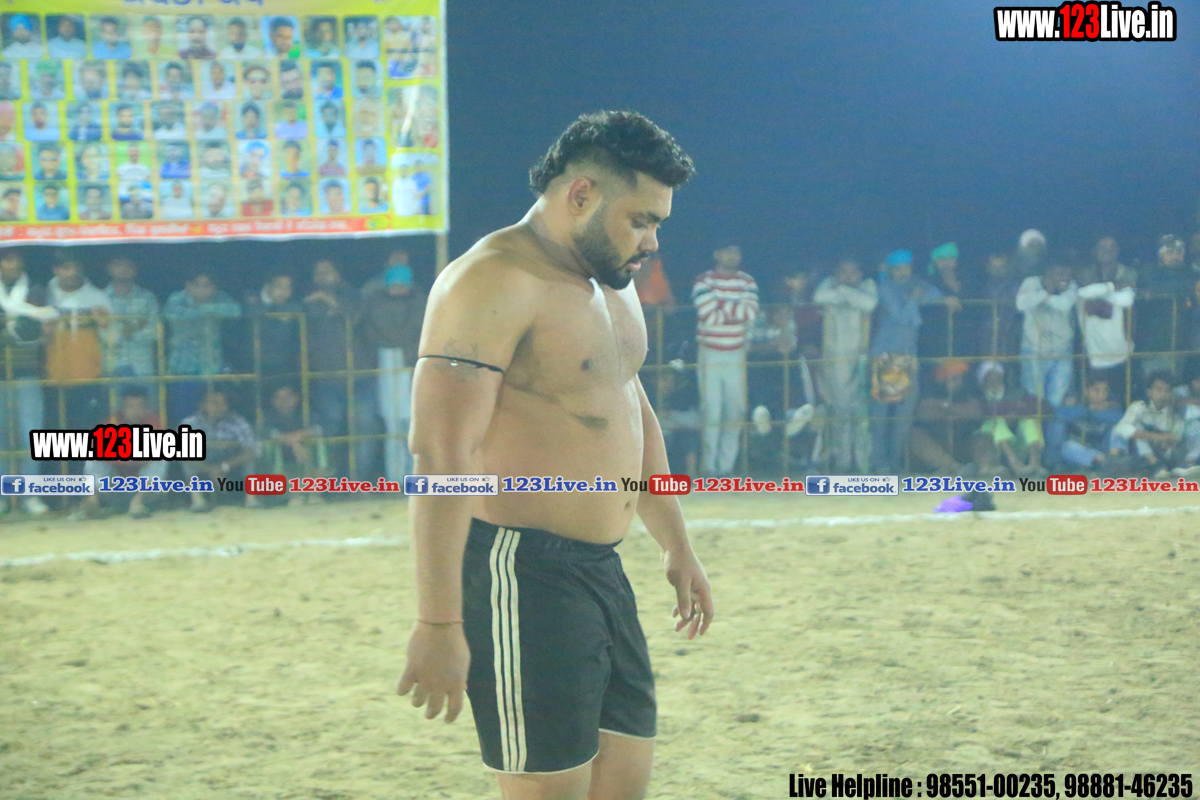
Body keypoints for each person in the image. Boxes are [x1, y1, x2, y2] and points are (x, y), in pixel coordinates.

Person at [398, 110, 711, 800]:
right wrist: (438, 621)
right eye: (640, 220)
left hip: (602, 570)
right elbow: (441, 456)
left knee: (622, 783)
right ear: (581, 195)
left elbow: (628, 408)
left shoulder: (608, 281)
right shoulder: (491, 281)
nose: (652, 241)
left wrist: (675, 542)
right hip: (522, 573)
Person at [868, 249, 959, 473]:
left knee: (904, 412)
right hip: (889, 353)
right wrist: (915, 298)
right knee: (883, 412)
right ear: (890, 270)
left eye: (906, 268)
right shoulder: (884, 287)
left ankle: (894, 460)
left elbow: (933, 292)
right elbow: (900, 314)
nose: (902, 273)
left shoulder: (913, 283)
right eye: (897, 269)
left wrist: (941, 298)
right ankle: (880, 462)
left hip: (908, 353)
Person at [302, 259, 378, 479]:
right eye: (318, 272)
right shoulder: (308, 301)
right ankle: (329, 481)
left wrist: (328, 301)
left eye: (327, 271)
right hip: (327, 376)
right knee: (329, 431)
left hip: (360, 374)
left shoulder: (355, 296)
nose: (323, 276)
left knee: (363, 429)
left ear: (339, 274)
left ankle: (359, 483)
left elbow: (354, 318)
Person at [692, 244, 758, 476]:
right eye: (728, 251)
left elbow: (750, 314)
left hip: (736, 353)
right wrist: (736, 311)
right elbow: (707, 315)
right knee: (712, 411)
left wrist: (720, 304)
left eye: (736, 251)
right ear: (716, 254)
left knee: (735, 411)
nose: (733, 256)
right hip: (710, 353)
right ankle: (710, 467)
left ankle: (726, 467)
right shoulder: (704, 280)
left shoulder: (747, 281)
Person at [0, 250, 56, 516]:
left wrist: (13, 330)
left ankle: (30, 494)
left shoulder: (35, 291)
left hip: (27, 369)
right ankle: (3, 495)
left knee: (30, 434)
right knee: (1, 436)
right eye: (6, 259)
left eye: (15, 259)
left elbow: (38, 326)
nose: (11, 265)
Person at [360, 263, 427, 481]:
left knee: (412, 425)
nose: (398, 290)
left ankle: (412, 476)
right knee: (392, 426)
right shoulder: (376, 302)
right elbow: (377, 329)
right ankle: (395, 478)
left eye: (402, 285)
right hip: (386, 366)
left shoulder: (419, 302)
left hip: (411, 365)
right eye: (394, 285)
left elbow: (416, 327)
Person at [812, 257, 878, 472]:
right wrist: (847, 293)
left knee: (861, 412)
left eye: (853, 271)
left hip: (861, 356)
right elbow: (819, 297)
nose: (849, 276)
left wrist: (843, 291)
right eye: (844, 272)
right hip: (836, 358)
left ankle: (862, 462)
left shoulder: (867, 286)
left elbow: (870, 304)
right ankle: (843, 461)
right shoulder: (828, 284)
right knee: (841, 409)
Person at [75, 387, 167, 520]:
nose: (135, 411)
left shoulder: (153, 422)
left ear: (146, 408)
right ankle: (92, 502)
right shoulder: (111, 423)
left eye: (139, 406)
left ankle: (137, 503)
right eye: (130, 406)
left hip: (146, 491)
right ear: (122, 408)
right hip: (115, 487)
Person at [163, 271, 242, 422]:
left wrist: (204, 309)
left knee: (213, 413)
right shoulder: (176, 299)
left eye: (207, 286)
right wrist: (209, 312)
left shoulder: (220, 297)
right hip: (183, 368)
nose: (202, 290)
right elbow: (170, 314)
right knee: (184, 415)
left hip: (211, 366)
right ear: (188, 285)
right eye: (197, 285)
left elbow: (235, 310)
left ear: (214, 287)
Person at [45, 258, 111, 430]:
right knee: (56, 432)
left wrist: (103, 323)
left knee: (85, 428)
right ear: (56, 269)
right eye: (67, 267)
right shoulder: (45, 295)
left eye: (76, 267)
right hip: (54, 377)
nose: (72, 272)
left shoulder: (97, 297)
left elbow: (113, 337)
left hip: (88, 376)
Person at [181, 388, 259, 512]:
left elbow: (251, 450)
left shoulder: (237, 422)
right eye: (213, 403)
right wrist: (211, 469)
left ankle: (251, 499)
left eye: (222, 403)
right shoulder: (190, 423)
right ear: (202, 405)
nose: (218, 407)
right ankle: (198, 500)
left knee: (250, 460)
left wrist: (224, 466)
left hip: (231, 463)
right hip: (203, 464)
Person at [1077, 236, 1136, 401]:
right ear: (1095, 251)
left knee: (1121, 399)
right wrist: (1111, 287)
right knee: (1094, 400)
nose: (1107, 252)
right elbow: (1083, 293)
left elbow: (1127, 300)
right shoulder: (1085, 273)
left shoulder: (1128, 272)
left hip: (1121, 351)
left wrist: (1101, 293)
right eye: (1103, 248)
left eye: (1111, 248)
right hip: (1094, 353)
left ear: (1117, 251)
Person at [1110, 371, 1200, 477]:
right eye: (1159, 390)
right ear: (1149, 392)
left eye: (1167, 391)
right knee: (1137, 429)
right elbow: (1121, 428)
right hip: (1142, 455)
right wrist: (1156, 436)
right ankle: (1156, 465)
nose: (1163, 394)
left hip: (1166, 453)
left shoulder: (1176, 412)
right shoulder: (1140, 407)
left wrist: (1170, 441)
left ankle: (1187, 464)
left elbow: (1176, 436)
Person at [1015, 263, 1077, 411]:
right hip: (1033, 349)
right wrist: (1045, 291)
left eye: (1067, 274)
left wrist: (1044, 296)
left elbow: (1065, 304)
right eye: (1059, 273)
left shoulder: (1071, 285)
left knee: (1057, 401)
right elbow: (1021, 304)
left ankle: (1053, 427)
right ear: (1049, 271)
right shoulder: (1031, 282)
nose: (1063, 278)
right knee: (1035, 400)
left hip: (1062, 350)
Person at [973, 361, 1046, 478]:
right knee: (998, 422)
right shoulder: (978, 399)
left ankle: (1035, 464)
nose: (995, 383)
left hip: (1018, 445)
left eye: (998, 379)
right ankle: (1016, 466)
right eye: (990, 380)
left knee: (1030, 421)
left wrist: (1013, 415)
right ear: (983, 383)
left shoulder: (1017, 394)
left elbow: (1034, 407)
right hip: (994, 451)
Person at [1135, 235, 1191, 379]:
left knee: (1175, 383)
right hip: (1153, 343)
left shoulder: (1188, 273)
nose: (1175, 256)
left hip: (1180, 343)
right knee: (1153, 382)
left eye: (1179, 252)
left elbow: (1189, 286)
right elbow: (1153, 285)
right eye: (1170, 252)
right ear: (1160, 255)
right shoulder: (1148, 272)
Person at [261, 384, 326, 504]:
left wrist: (296, 439)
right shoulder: (268, 416)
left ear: (296, 398)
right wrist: (294, 444)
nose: (284, 401)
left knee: (319, 444)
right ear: (273, 401)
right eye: (279, 398)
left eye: (288, 397)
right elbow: (270, 433)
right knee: (271, 447)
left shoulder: (305, 413)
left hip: (305, 452)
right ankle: (293, 495)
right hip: (282, 454)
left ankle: (314, 492)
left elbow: (318, 429)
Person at [103, 258, 159, 383]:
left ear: (136, 269)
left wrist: (120, 330)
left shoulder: (147, 298)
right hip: (111, 365)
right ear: (109, 268)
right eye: (118, 264)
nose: (123, 269)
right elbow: (100, 335)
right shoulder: (100, 298)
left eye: (129, 265)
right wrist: (136, 326)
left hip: (142, 366)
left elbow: (154, 332)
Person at [1051, 376, 1124, 469]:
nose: (1101, 395)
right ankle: (1102, 462)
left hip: (1106, 450)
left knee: (1119, 429)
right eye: (1096, 391)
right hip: (1085, 450)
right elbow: (1059, 414)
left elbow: (1121, 419)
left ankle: (1112, 460)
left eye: (1105, 391)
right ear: (1086, 391)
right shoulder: (1077, 406)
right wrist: (1090, 411)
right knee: (1067, 447)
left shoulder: (1112, 408)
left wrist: (1099, 412)